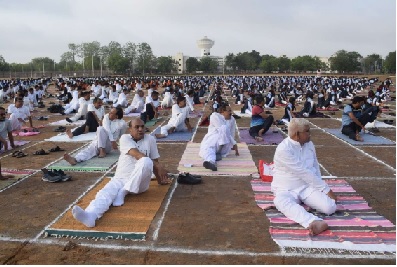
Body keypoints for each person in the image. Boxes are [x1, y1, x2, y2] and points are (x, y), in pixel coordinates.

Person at [71, 118, 171, 228]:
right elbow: (137, 154)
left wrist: (160, 179)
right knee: (106, 192)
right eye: (137, 127)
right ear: (130, 129)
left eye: (142, 126)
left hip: (141, 183)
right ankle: (91, 216)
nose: (140, 129)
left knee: (146, 161)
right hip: (121, 178)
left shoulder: (150, 139)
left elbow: (154, 161)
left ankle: (124, 191)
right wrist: (158, 166)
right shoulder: (124, 138)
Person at [271, 118, 337, 235]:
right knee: (280, 201)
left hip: (306, 187)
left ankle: (303, 204)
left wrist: (319, 187)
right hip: (287, 189)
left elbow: (315, 166)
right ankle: (313, 221)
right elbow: (303, 172)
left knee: (330, 207)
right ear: (297, 134)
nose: (310, 134)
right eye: (307, 131)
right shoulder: (284, 149)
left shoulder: (309, 144)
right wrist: (326, 189)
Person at [199, 104, 239, 171]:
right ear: (223, 111)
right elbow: (221, 129)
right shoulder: (214, 116)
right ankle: (211, 162)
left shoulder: (232, 119)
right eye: (229, 111)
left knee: (224, 128)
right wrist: (234, 143)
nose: (231, 113)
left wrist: (233, 144)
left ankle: (218, 153)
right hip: (212, 140)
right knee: (207, 149)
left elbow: (231, 133)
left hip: (224, 146)